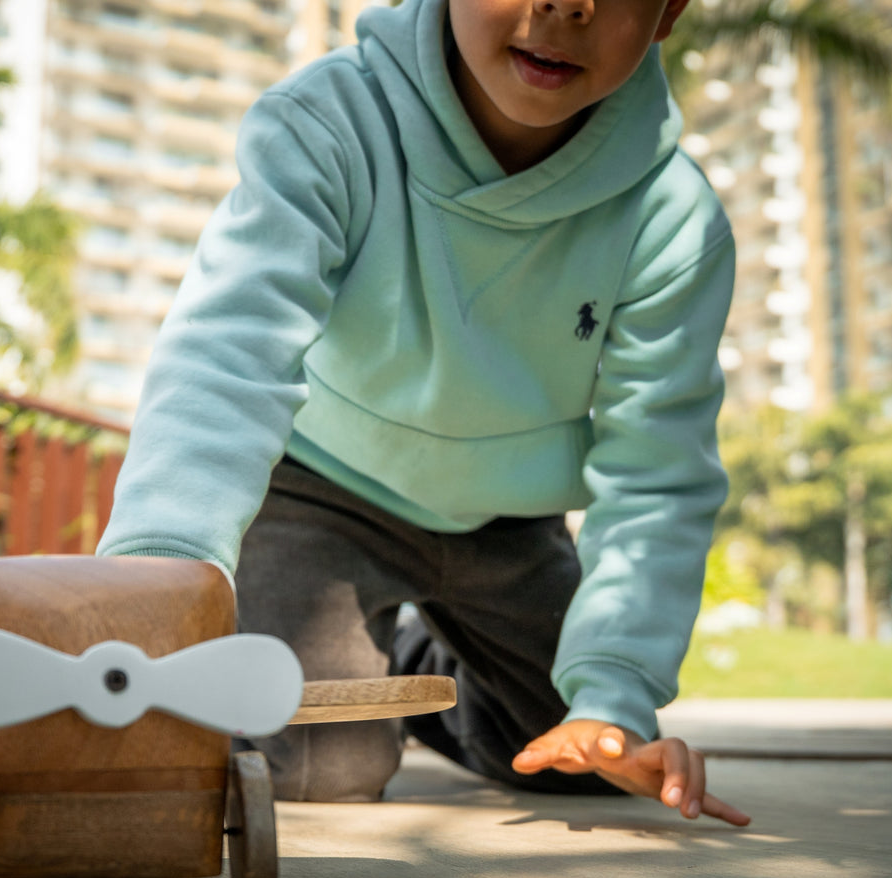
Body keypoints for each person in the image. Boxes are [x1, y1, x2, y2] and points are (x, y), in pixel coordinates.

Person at [98, 0, 750, 826]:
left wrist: (614, 691)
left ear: (668, 15)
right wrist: (163, 566)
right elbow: (229, 350)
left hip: (507, 519)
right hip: (324, 487)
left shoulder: (674, 223)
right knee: (309, 765)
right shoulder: (329, 122)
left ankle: (413, 667)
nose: (567, 5)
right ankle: (375, 662)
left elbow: (655, 473)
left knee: (582, 760)